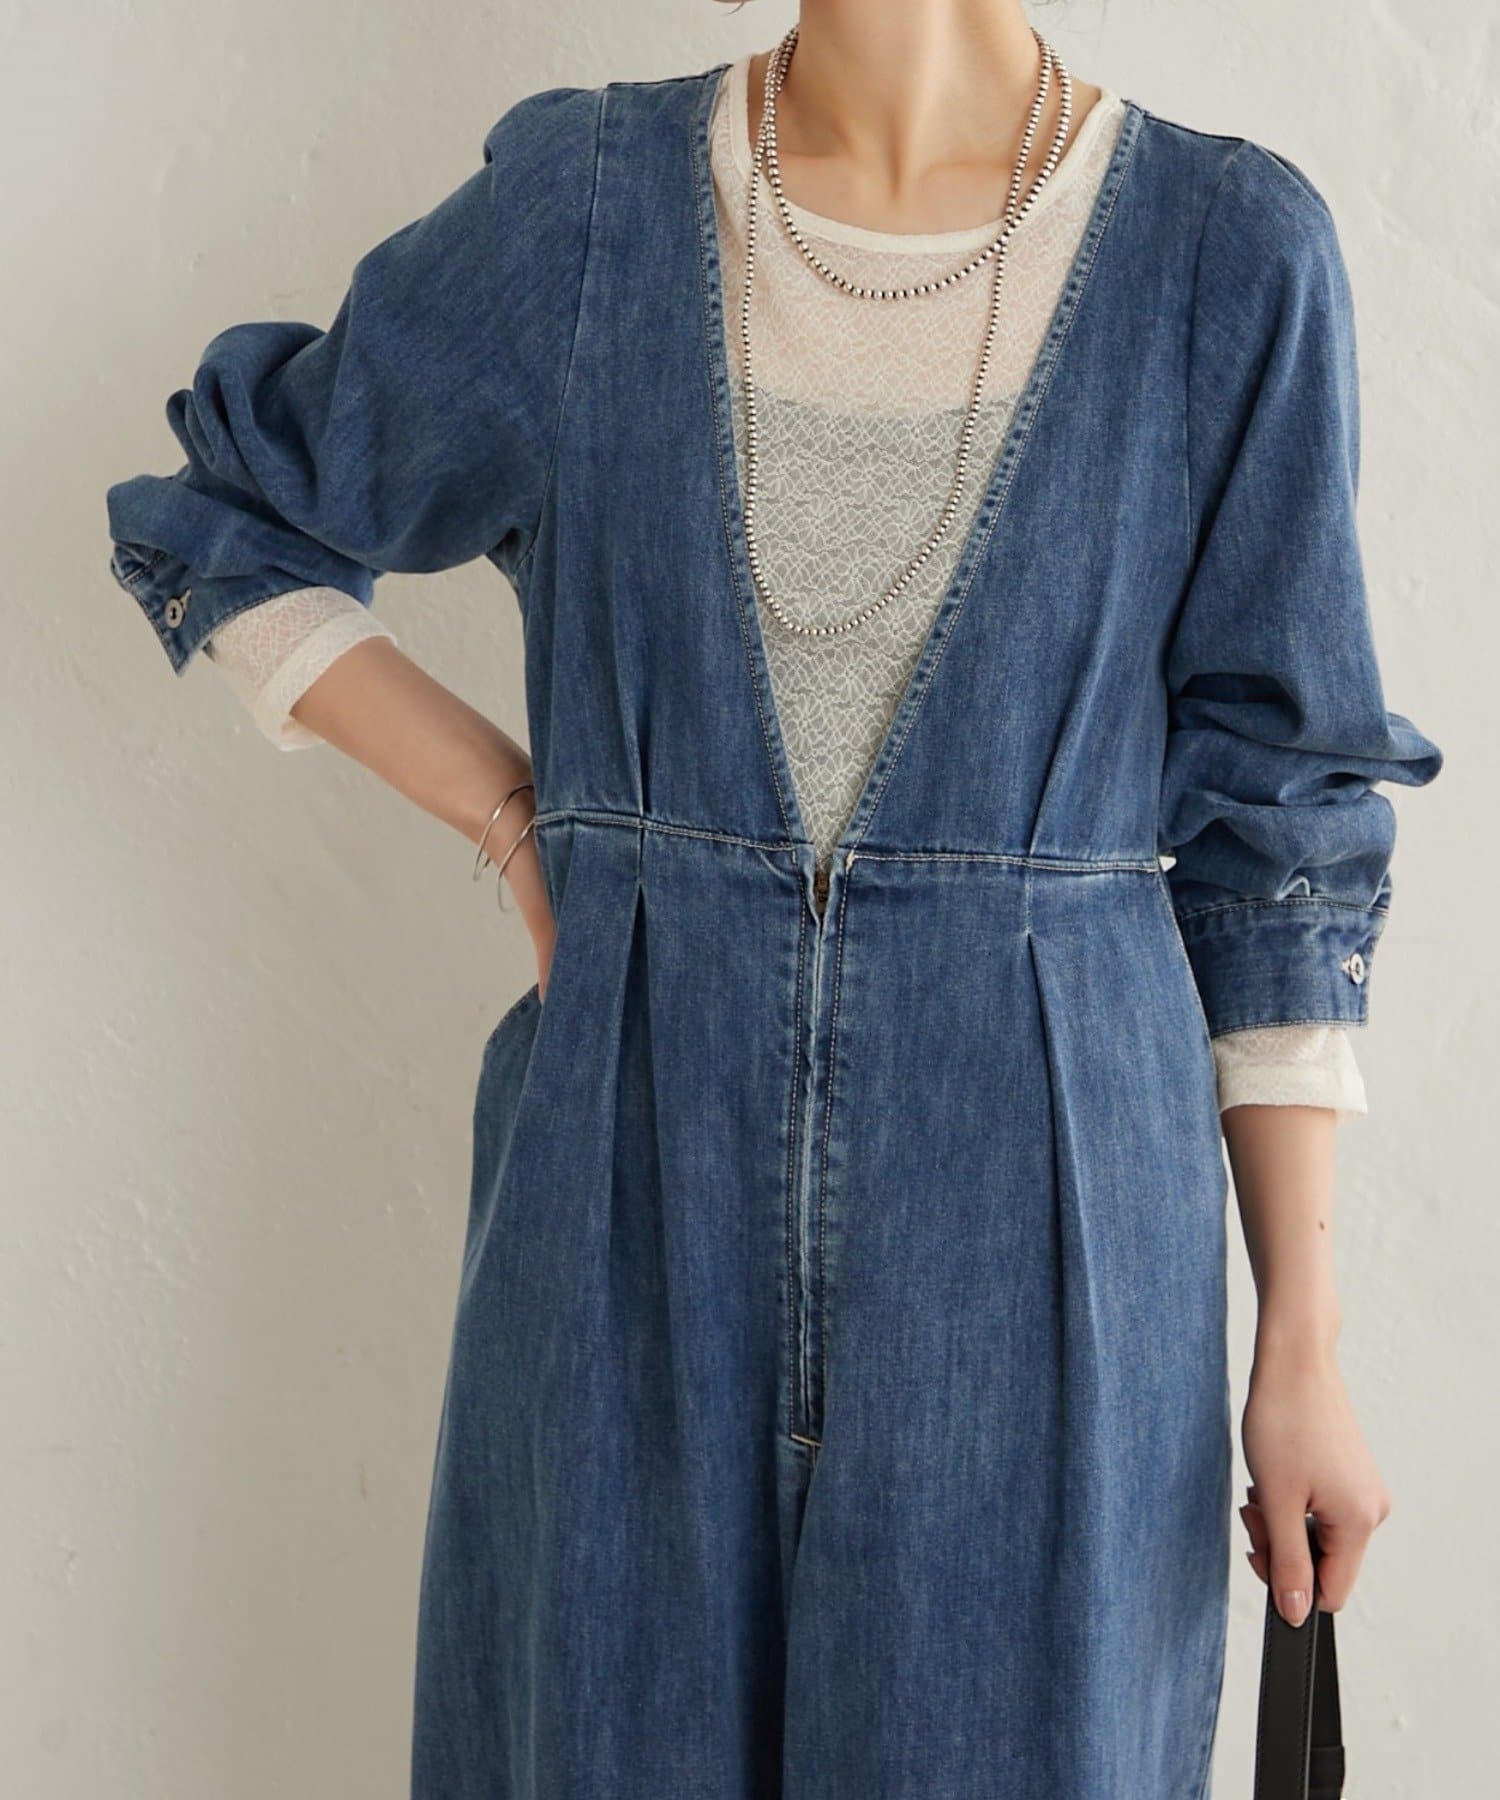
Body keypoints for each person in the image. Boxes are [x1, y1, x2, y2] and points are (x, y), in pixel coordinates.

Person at [103, 3, 1444, 1793]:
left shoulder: (1225, 254)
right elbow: (221, 517)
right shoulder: (587, 213)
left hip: (1050, 1251)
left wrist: (1304, 1348)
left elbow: (1279, 834)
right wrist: (512, 811)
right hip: (625, 1202)